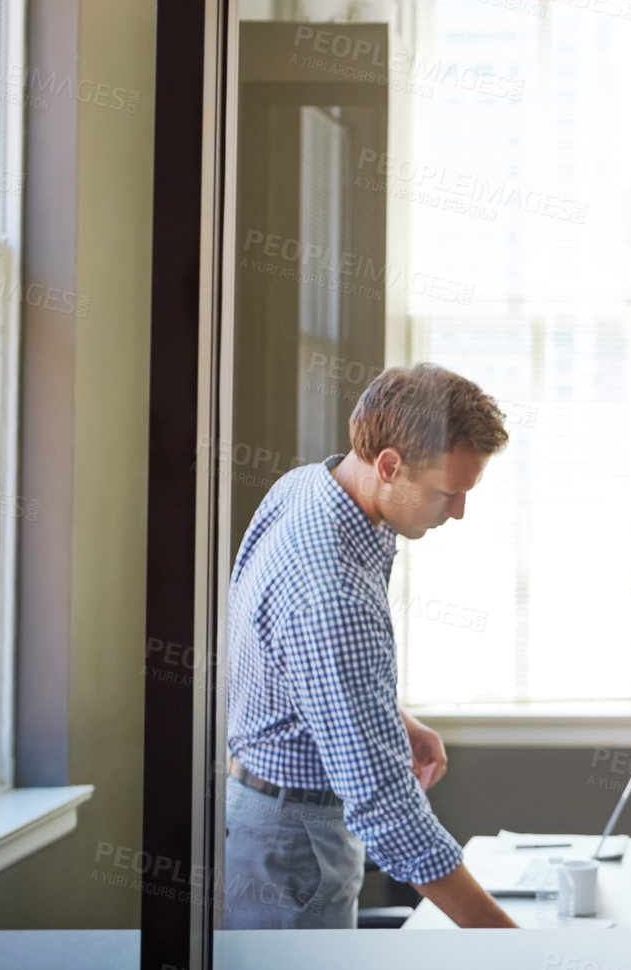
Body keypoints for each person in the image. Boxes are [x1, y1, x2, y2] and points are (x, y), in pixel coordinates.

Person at [224, 363, 517, 929]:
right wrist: (509, 945)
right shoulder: (336, 593)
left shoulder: (310, 485)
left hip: (269, 814)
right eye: (448, 493)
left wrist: (387, 717)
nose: (458, 512)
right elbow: (389, 813)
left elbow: (289, 657)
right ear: (389, 466)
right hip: (293, 845)